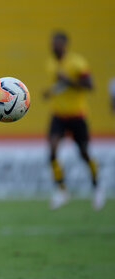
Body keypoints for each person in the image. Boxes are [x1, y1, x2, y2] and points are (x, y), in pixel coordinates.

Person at [43, 31, 105, 210]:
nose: (54, 46)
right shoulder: (50, 63)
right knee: (52, 151)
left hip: (77, 115)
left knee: (84, 153)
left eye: (57, 43)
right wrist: (51, 92)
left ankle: (97, 187)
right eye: (52, 42)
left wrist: (68, 80)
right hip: (58, 115)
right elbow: (60, 86)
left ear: (65, 44)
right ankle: (61, 190)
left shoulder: (77, 62)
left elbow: (89, 85)